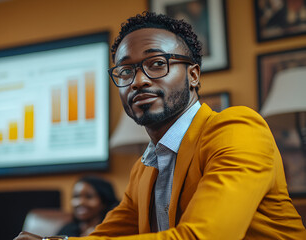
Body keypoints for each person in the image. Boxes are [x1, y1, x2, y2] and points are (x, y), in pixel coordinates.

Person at [15, 11, 306, 240]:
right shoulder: (143, 169)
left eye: (156, 63)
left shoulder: (236, 129)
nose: (138, 80)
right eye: (126, 70)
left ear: (193, 75)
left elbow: (202, 237)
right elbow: (106, 235)